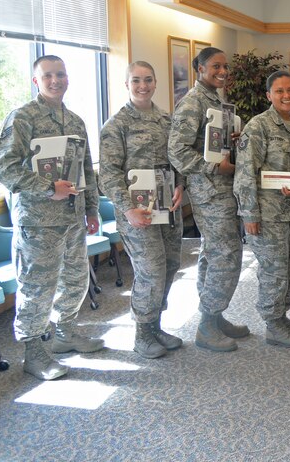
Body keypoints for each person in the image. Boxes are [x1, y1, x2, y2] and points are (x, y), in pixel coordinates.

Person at [0, 55, 103, 380]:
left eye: (60, 74)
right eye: (48, 76)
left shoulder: (75, 121)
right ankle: (34, 354)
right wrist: (47, 188)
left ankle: (65, 335)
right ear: (36, 81)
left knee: (75, 281)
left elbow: (86, 171)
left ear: (67, 78)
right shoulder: (22, 117)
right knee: (37, 289)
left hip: (73, 220)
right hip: (38, 223)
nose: (55, 80)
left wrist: (94, 209)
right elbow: (5, 168)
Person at [100, 61, 185, 359]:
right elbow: (108, 174)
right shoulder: (116, 126)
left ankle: (156, 324)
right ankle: (142, 333)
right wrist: (127, 209)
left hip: (167, 207)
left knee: (171, 264)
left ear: (155, 82)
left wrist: (180, 185)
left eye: (148, 80)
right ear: (127, 84)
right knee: (150, 270)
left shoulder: (166, 120)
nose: (143, 86)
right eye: (136, 80)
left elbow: (177, 160)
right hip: (138, 212)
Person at [168, 47, 247, 352]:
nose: (223, 71)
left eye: (225, 66)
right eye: (216, 66)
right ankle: (206, 325)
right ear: (199, 68)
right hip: (208, 191)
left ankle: (213, 316)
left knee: (213, 253)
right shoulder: (193, 102)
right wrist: (213, 166)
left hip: (221, 189)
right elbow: (177, 151)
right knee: (227, 253)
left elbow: (206, 142)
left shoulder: (216, 101)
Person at [234, 70, 290, 349]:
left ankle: (282, 314)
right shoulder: (258, 127)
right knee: (274, 270)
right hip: (267, 215)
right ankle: (272, 323)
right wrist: (249, 214)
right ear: (269, 95)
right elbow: (244, 173)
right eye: (279, 91)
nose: (286, 95)